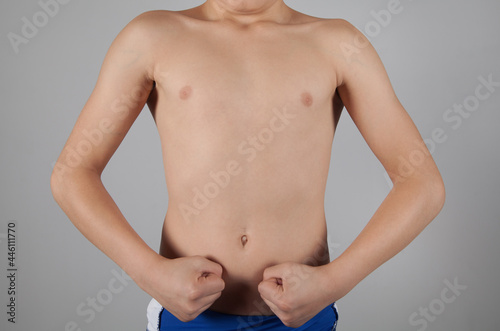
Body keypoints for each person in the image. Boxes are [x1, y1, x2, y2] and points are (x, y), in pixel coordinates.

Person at [50, 1, 446, 330]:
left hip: (302, 313)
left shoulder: (337, 43)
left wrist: (333, 282)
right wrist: (150, 273)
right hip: (189, 313)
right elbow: (73, 173)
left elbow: (421, 183)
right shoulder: (153, 36)